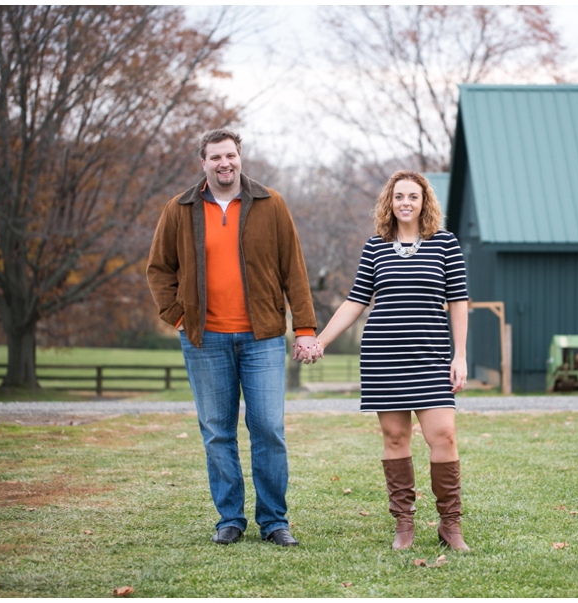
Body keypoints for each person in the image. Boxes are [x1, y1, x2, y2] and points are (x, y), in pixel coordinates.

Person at [147, 129, 317, 547]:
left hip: (262, 338)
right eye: (215, 157)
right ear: (202, 163)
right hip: (206, 341)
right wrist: (178, 316)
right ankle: (230, 519)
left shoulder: (270, 204)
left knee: (268, 428)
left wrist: (306, 328)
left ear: (240, 157)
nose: (224, 163)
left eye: (230, 155)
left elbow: (293, 268)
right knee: (217, 431)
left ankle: (275, 520)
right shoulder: (180, 208)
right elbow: (159, 269)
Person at [301, 170, 470, 551]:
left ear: (425, 201)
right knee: (395, 438)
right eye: (399, 197)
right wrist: (320, 340)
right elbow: (355, 301)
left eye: (413, 196)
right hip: (384, 357)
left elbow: (458, 301)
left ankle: (450, 525)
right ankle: (404, 524)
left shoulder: (445, 244)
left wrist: (459, 355)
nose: (405, 203)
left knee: (443, 436)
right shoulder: (375, 247)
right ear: (389, 203)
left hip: (429, 356)